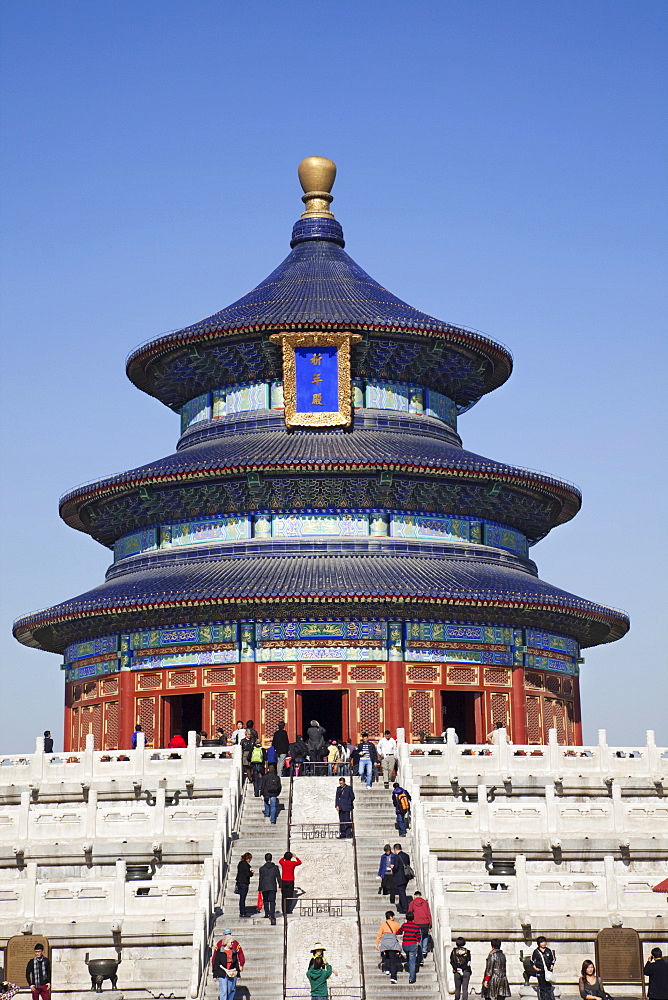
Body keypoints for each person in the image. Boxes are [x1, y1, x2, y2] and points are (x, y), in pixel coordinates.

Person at [212, 930, 245, 1000]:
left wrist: (238, 972)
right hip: (222, 973)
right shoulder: (219, 948)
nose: (232, 943)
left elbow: (237, 961)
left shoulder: (234, 950)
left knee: (231, 990)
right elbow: (216, 961)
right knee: (224, 990)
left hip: (232, 973)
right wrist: (215, 974)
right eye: (231, 942)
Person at [376, 910, 402, 984]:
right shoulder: (395, 924)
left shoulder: (383, 924)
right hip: (392, 943)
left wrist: (377, 943)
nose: (394, 917)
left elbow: (379, 935)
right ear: (391, 917)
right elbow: (399, 931)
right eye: (393, 916)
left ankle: (387, 968)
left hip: (385, 943)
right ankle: (393, 977)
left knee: (387, 956)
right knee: (393, 960)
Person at [398, 911, 422, 984]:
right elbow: (419, 937)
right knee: (412, 962)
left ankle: (408, 964)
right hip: (412, 944)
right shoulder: (416, 927)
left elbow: (399, 932)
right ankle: (411, 978)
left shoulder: (404, 925)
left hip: (405, 945)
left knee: (409, 956)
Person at [258, 852, 281, 924]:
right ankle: (272, 915)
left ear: (265, 859)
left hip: (264, 886)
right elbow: (278, 877)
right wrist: (280, 885)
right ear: (271, 859)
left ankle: (266, 913)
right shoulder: (275, 867)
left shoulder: (262, 868)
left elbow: (260, 879)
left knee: (265, 900)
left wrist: (260, 888)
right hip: (272, 886)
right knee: (272, 901)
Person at [410, 890, 432, 964]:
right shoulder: (425, 903)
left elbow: (410, 913)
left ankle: (420, 953)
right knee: (425, 935)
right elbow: (428, 913)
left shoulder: (412, 903)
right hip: (426, 922)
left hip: (417, 923)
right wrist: (430, 924)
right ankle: (424, 950)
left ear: (415, 896)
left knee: (418, 938)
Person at [391, 842, 412, 914]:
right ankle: (402, 905)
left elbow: (396, 867)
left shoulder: (396, 857)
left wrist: (392, 868)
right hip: (406, 876)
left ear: (395, 849)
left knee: (402, 892)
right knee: (402, 891)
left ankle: (405, 909)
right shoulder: (406, 856)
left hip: (399, 877)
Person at [236, 851, 253, 918]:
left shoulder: (240, 864)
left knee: (241, 898)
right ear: (248, 858)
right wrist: (251, 873)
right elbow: (247, 874)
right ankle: (243, 912)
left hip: (239, 882)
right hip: (244, 882)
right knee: (243, 898)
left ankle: (242, 911)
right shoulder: (246, 865)